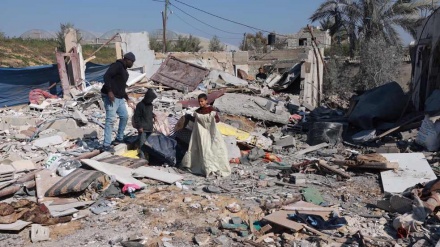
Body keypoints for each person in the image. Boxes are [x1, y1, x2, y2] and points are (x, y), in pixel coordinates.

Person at [101, 52, 136, 152]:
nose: (132, 64)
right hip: (111, 97)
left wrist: (127, 98)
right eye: (132, 61)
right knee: (110, 120)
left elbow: (121, 87)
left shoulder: (125, 71)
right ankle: (106, 145)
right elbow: (106, 76)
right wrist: (109, 91)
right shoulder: (116, 66)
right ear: (127, 60)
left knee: (124, 116)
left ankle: (119, 139)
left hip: (119, 98)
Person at [133, 89, 157, 159]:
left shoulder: (150, 105)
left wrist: (154, 115)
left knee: (148, 144)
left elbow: (149, 113)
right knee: (142, 144)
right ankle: (142, 158)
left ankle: (148, 157)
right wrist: (139, 126)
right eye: (151, 99)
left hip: (149, 127)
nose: (152, 101)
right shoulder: (140, 105)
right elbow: (136, 117)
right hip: (143, 128)